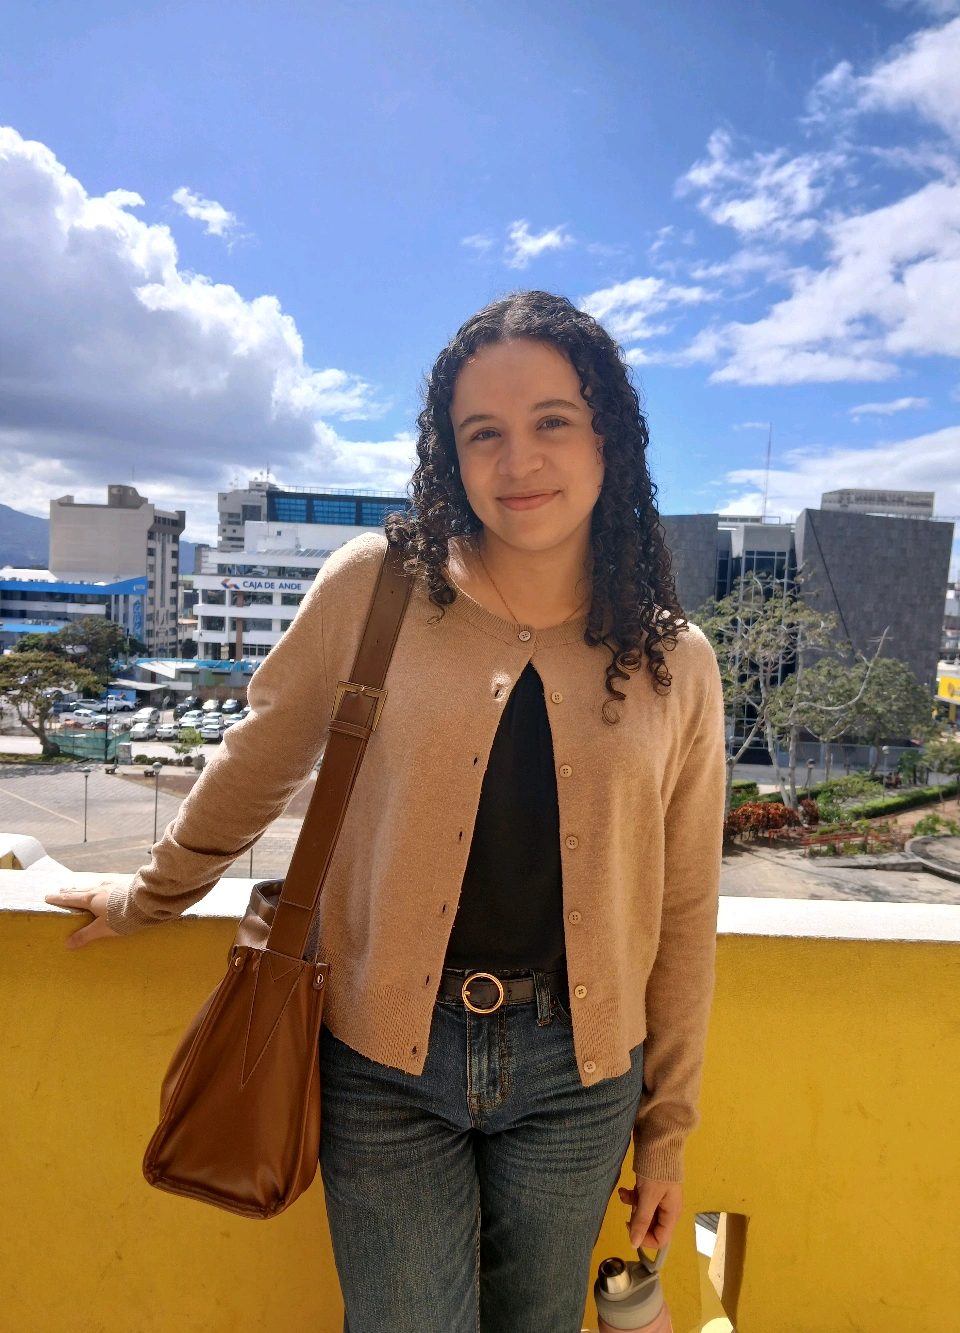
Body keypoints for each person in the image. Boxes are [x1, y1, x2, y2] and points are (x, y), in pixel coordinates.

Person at [47, 290, 725, 1333]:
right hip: (383, 1054)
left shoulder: (676, 660)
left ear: (608, 439)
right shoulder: (378, 587)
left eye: (552, 420)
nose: (518, 460)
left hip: (580, 1072)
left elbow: (684, 905)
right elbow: (256, 762)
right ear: (450, 453)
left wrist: (666, 1130)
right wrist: (149, 896)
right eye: (482, 432)